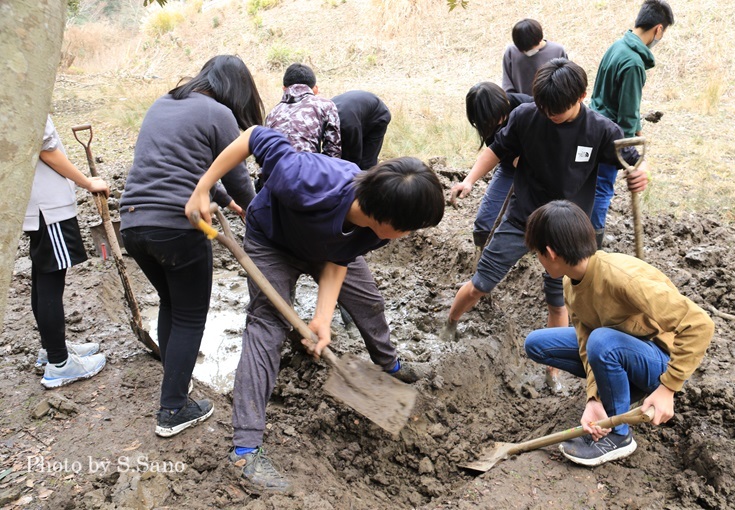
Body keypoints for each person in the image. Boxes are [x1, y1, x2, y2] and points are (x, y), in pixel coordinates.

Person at [185, 125, 445, 492]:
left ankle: (391, 366)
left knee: (368, 300)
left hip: (322, 248)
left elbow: (339, 257)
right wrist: (202, 188)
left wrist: (322, 319)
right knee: (266, 329)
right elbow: (253, 135)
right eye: (411, 228)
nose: (410, 235)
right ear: (388, 220)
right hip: (271, 241)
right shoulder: (306, 178)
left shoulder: (375, 231)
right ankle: (246, 449)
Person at [444, 58, 648, 341]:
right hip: (522, 219)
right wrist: (469, 180)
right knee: (480, 283)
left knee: (558, 302)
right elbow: (497, 149)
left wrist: (639, 174)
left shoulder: (601, 130)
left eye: (557, 111)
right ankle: (450, 324)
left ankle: (553, 374)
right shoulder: (526, 116)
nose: (550, 115)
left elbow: (632, 161)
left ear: (581, 96)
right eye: (544, 108)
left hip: (566, 230)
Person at [120, 55, 264, 438]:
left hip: (134, 224)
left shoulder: (163, 103)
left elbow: (179, 164)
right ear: (237, 89)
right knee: (189, 315)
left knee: (172, 305)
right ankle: (172, 409)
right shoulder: (218, 113)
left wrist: (224, 201)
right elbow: (236, 177)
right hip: (177, 227)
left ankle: (174, 384)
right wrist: (257, 215)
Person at [523, 200, 713, 466]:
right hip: (618, 348)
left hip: (659, 360)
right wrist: (593, 398)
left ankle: (620, 436)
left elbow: (700, 324)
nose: (538, 260)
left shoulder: (621, 278)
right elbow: (584, 342)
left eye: (537, 253)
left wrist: (668, 388)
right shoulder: (571, 283)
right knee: (537, 344)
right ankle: (616, 390)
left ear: (551, 253)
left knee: (602, 340)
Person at [25, 115, 108, 388]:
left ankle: (51, 349)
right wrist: (87, 182)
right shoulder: (28, 97)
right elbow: (47, 151)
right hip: (48, 206)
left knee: (42, 275)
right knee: (51, 279)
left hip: (35, 205)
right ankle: (59, 363)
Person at [589, 0, 674, 247]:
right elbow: (626, 118)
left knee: (590, 188)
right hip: (609, 137)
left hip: (593, 125)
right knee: (602, 190)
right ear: (658, 29)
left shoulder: (617, 46)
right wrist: (635, 158)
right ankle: (591, 247)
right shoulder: (634, 64)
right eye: (663, 33)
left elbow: (624, 105)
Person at [465, 82, 532, 249]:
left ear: (504, 102)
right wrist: (468, 181)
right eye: (489, 120)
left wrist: (529, 160)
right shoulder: (487, 122)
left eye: (498, 115)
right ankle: (484, 254)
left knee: (533, 218)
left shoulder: (528, 107)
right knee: (484, 225)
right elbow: (494, 152)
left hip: (542, 170)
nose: (497, 122)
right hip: (510, 167)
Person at [265, 63, 341, 159]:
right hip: (306, 169)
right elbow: (333, 153)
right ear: (315, 89)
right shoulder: (325, 105)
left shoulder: (272, 113)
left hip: (274, 171)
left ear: (284, 89)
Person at [501, 18, 568, 96]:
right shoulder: (511, 52)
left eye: (530, 48)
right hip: (521, 105)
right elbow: (507, 85)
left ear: (539, 39)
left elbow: (566, 81)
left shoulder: (557, 51)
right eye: (522, 51)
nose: (526, 52)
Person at [331, 90, 391, 170]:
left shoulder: (347, 126)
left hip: (378, 115)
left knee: (366, 161)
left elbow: (353, 155)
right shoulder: (321, 115)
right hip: (358, 110)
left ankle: (368, 179)